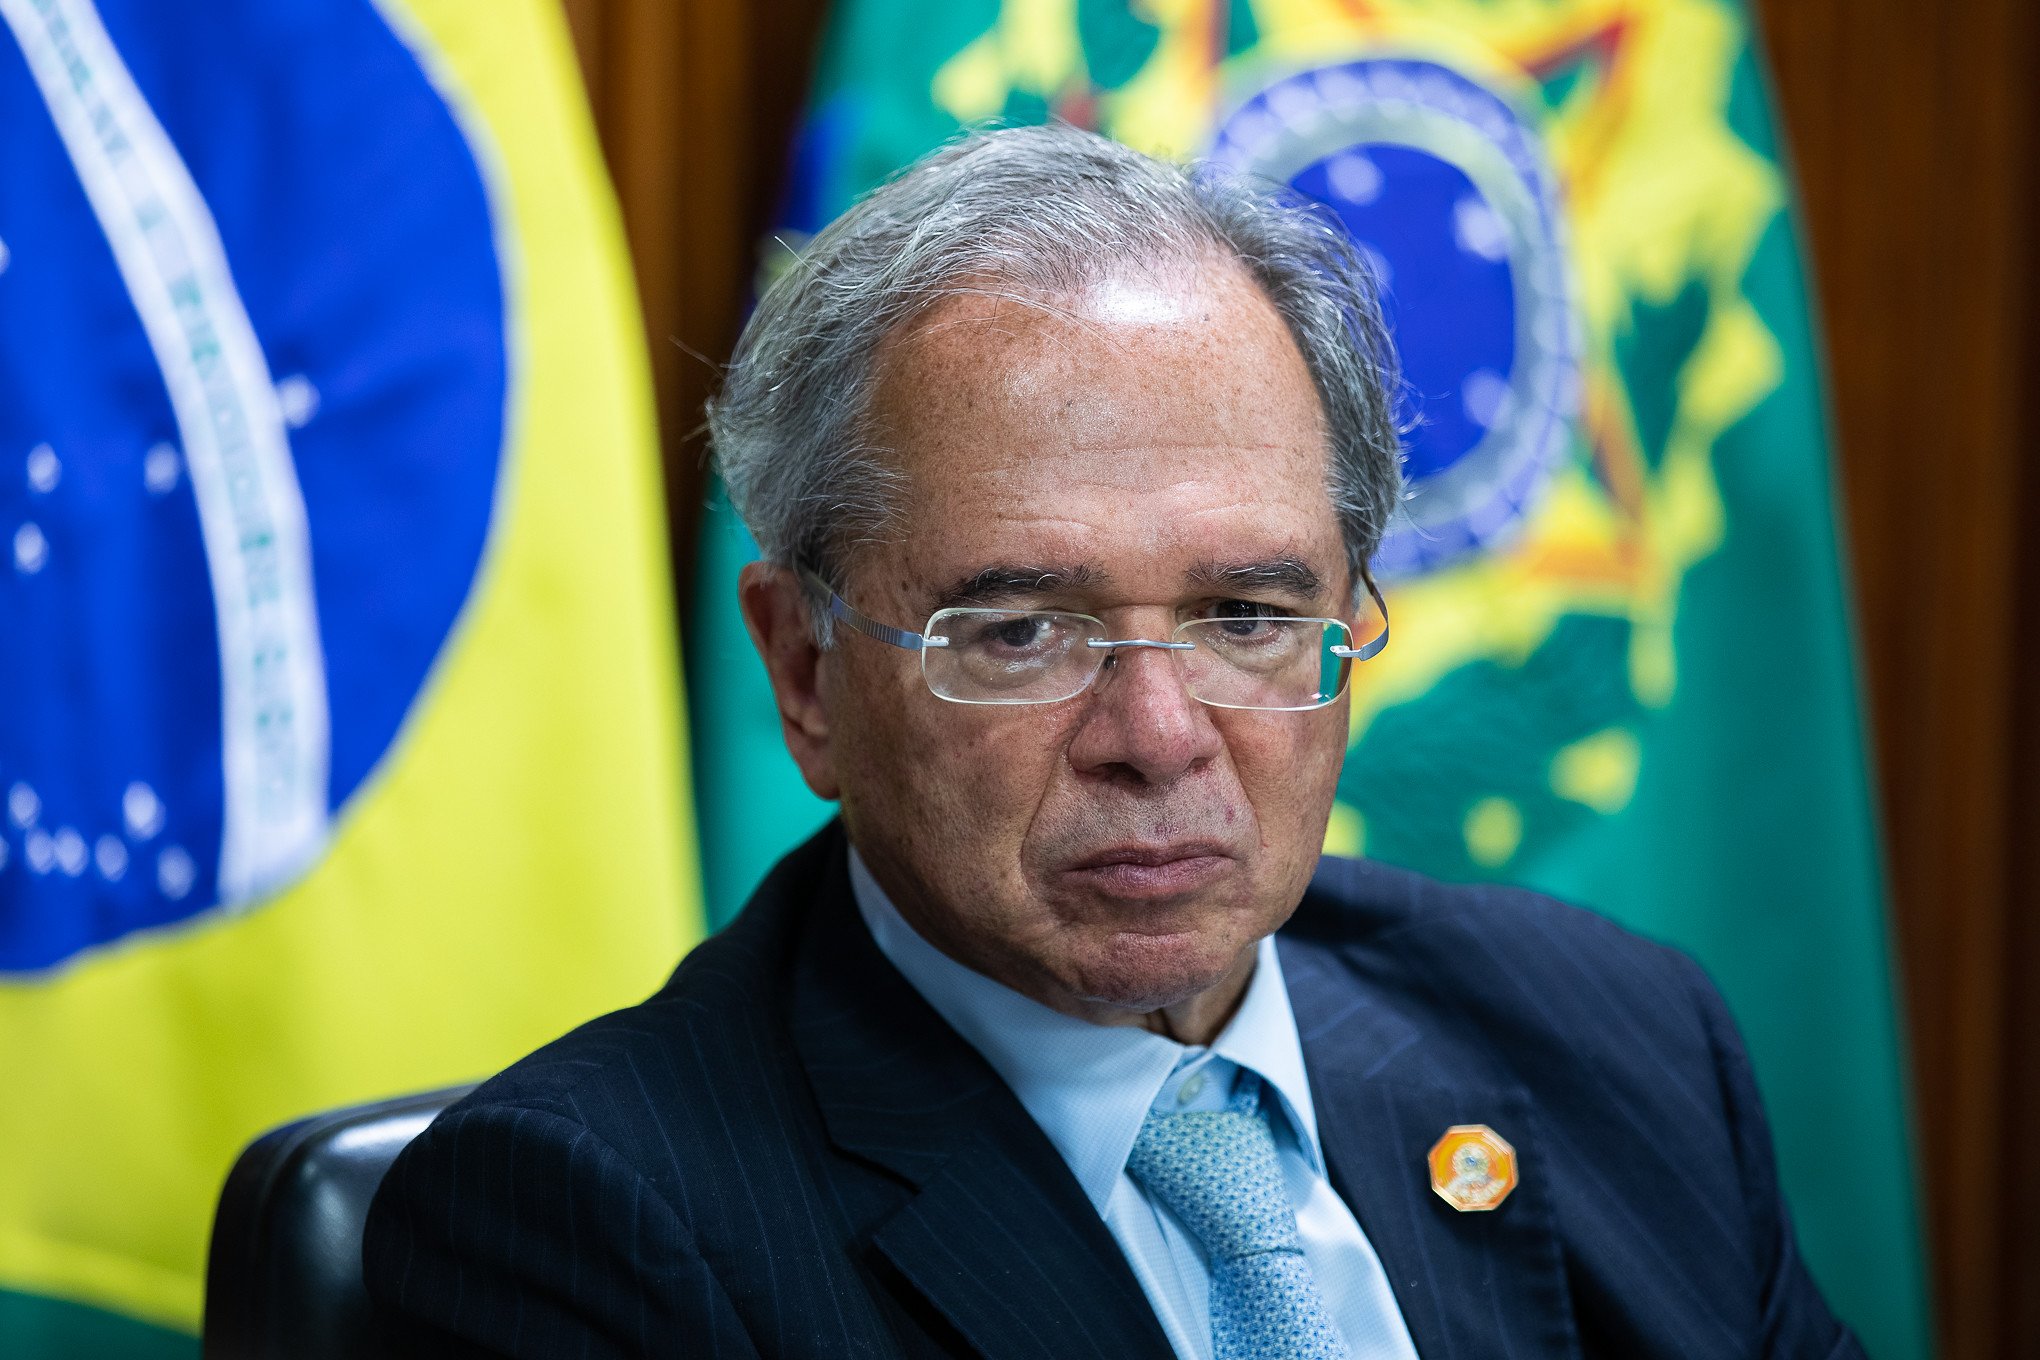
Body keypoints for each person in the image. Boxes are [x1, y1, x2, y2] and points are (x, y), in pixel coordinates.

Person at [363, 123, 1864, 1360]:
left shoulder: (1613, 1037)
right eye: (1019, 632)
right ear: (807, 671)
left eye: (1245, 616)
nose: (1158, 738)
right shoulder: (588, 1223)